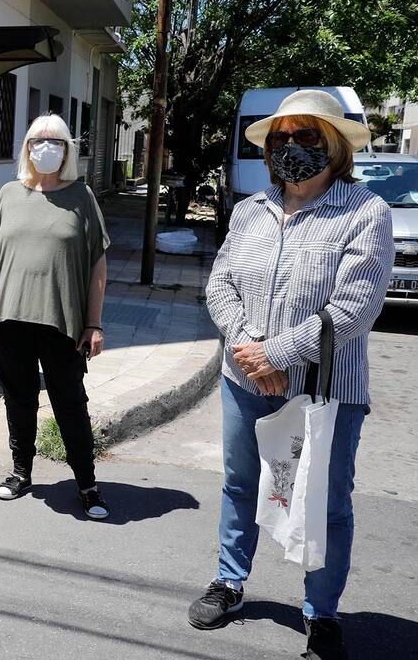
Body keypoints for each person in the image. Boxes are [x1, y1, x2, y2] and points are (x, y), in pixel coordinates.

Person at [188, 90, 391, 660]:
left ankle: (321, 612)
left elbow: (355, 307)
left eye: (307, 137)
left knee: (324, 502)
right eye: (281, 137)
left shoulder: (365, 211)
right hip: (244, 380)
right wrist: (249, 350)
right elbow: (220, 284)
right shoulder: (250, 210)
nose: (291, 147)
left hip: (328, 389)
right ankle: (229, 582)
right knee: (241, 484)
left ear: (334, 147)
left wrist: (279, 354)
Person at [0, 115, 111, 520]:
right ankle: (21, 472)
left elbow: (97, 265)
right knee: (18, 399)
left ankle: (87, 483)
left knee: (70, 403)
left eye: (55, 141)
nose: (45, 147)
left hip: (61, 321)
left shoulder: (82, 196)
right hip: (9, 317)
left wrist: (94, 322)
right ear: (27, 147)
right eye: (38, 140)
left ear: (67, 149)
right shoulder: (9, 195)